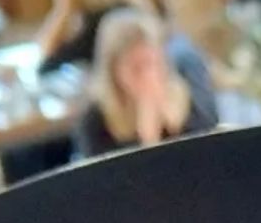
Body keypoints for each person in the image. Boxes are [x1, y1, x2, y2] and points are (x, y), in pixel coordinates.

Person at [74, 8, 218, 159]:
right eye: (136, 68)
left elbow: (208, 150)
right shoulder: (94, 121)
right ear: (114, 72)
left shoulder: (186, 94)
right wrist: (148, 139)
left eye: (154, 63)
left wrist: (174, 125)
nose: (149, 76)